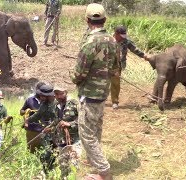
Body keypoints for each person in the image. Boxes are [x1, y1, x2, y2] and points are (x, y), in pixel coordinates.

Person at [70, 3, 119, 180]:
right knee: (96, 127)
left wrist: (73, 77)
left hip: (89, 93)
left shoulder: (89, 43)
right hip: (102, 92)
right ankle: (93, 160)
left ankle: (104, 172)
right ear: (104, 20)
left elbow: (79, 74)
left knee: (86, 133)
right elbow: (115, 68)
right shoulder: (113, 41)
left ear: (87, 20)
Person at [45, 86, 80, 179]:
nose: (59, 96)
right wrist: (50, 127)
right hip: (61, 140)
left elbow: (84, 119)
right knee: (63, 165)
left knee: (75, 164)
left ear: (66, 92)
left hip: (75, 140)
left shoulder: (75, 103)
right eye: (57, 94)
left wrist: (70, 124)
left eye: (61, 93)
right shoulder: (56, 105)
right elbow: (57, 120)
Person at [111, 25, 149, 109]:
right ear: (116, 33)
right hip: (106, 64)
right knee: (102, 82)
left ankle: (115, 101)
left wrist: (144, 56)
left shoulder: (126, 41)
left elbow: (134, 49)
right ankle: (99, 100)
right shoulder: (108, 40)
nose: (122, 38)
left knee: (115, 83)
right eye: (121, 36)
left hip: (118, 66)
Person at [25, 84, 57, 174]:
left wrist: (51, 127)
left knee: (57, 154)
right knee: (45, 154)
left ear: (48, 96)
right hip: (47, 132)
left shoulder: (57, 103)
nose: (41, 97)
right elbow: (38, 114)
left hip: (58, 133)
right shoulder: (44, 103)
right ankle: (47, 172)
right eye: (40, 95)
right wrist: (28, 120)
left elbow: (61, 119)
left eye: (43, 96)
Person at [20, 81, 46, 153]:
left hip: (44, 130)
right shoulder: (29, 100)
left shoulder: (47, 100)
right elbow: (21, 111)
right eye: (39, 91)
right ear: (36, 90)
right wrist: (26, 111)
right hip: (31, 129)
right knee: (31, 150)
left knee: (44, 150)